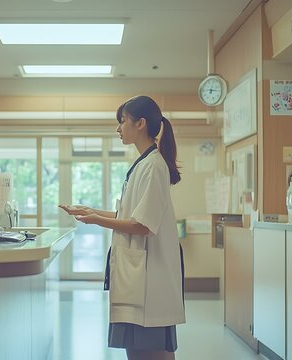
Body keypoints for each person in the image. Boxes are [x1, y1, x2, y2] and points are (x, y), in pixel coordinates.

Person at [59, 95, 185, 360]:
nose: (118, 129)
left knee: (149, 352)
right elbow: (130, 214)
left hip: (149, 279)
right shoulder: (143, 164)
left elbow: (142, 225)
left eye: (122, 122)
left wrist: (97, 220)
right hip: (139, 276)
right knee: (140, 351)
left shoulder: (153, 166)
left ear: (140, 123)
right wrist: (92, 211)